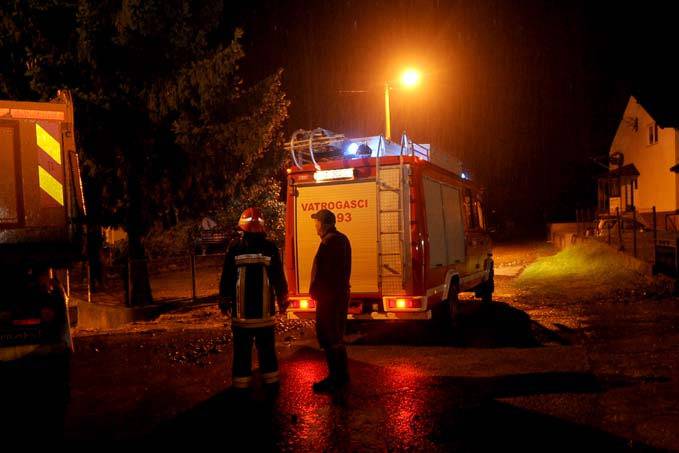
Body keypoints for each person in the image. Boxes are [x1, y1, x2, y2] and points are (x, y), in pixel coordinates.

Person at [219, 207, 288, 392]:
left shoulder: (235, 248)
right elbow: (278, 277)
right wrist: (283, 300)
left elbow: (227, 277)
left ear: (242, 228)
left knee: (242, 353)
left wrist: (224, 301)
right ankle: (271, 385)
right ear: (263, 228)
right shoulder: (270, 247)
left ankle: (241, 387)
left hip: (241, 317)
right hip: (265, 316)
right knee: (267, 352)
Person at [309, 209, 352, 393]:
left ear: (324, 223)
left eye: (317, 221)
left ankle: (335, 379)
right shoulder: (342, 239)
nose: (315, 225)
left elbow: (322, 272)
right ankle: (341, 377)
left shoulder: (329, 242)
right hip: (339, 295)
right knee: (336, 336)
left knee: (329, 337)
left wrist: (315, 291)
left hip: (329, 298)